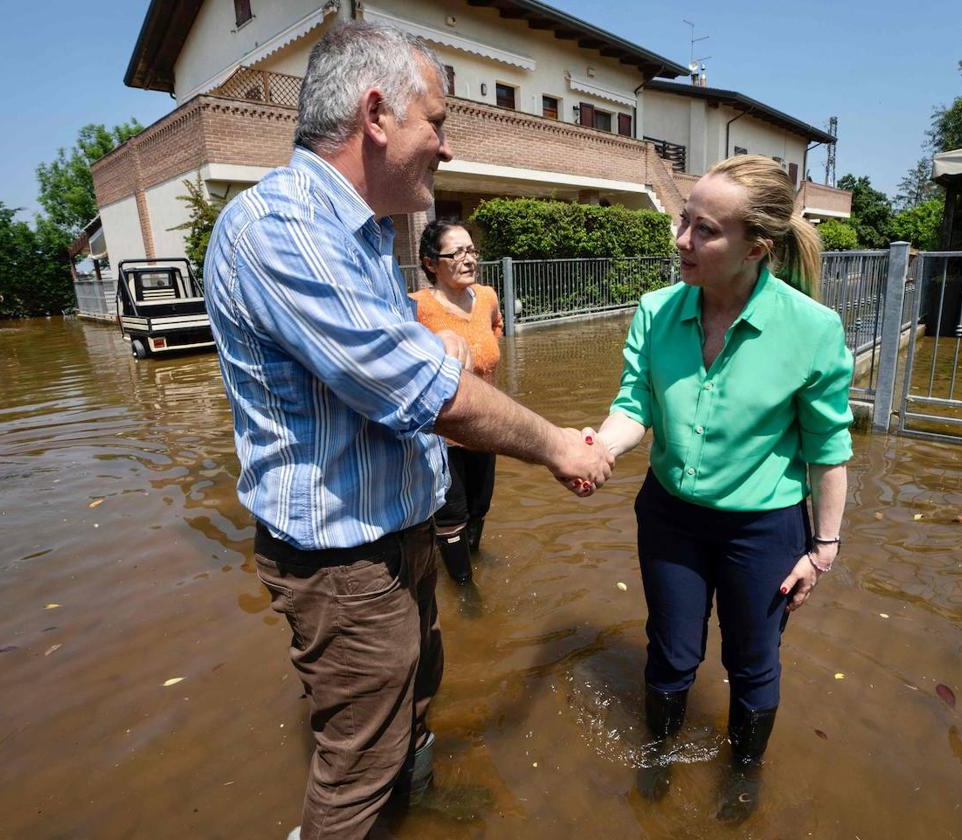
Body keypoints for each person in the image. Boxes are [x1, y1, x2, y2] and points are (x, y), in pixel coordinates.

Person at [202, 22, 613, 840]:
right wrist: (562, 446)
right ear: (377, 113)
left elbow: (402, 366)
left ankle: (415, 811)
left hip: (400, 536)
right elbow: (432, 394)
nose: (448, 148)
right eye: (440, 120)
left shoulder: (361, 237)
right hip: (343, 563)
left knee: (414, 703)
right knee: (353, 774)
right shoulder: (280, 229)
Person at [589, 154, 853, 821]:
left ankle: (743, 781)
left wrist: (823, 550)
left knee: (753, 661)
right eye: (683, 219)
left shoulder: (812, 330)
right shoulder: (655, 311)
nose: (681, 239)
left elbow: (827, 452)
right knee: (671, 652)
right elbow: (634, 405)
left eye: (704, 229)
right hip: (670, 518)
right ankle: (657, 768)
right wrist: (596, 449)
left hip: (763, 529)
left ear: (755, 248)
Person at [410, 220, 502, 584]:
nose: (469, 259)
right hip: (440, 434)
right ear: (432, 263)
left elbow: (494, 330)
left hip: (486, 426)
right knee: (451, 514)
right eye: (457, 253)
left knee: (480, 506)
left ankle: (471, 555)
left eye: (471, 250)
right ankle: (464, 591)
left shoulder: (488, 298)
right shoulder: (416, 308)